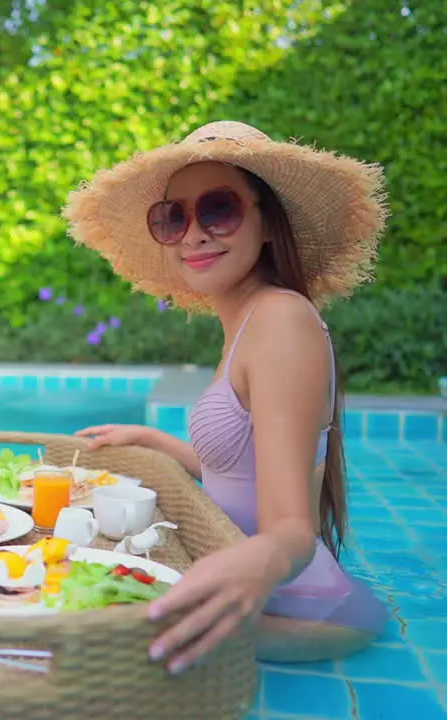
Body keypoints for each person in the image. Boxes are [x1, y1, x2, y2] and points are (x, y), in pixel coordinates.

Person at [62, 121, 391, 673]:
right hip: (263, 593)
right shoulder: (248, 323)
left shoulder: (281, 320)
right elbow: (247, 472)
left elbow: (292, 533)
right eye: (174, 217)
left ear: (266, 223)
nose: (193, 234)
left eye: (218, 210)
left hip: (299, 609)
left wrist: (257, 562)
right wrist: (152, 440)